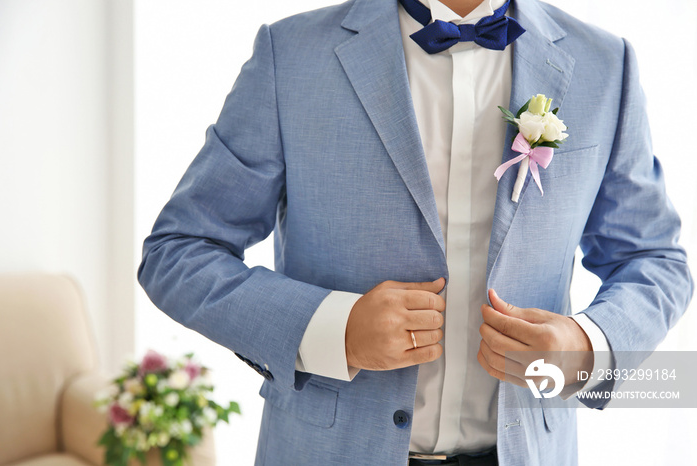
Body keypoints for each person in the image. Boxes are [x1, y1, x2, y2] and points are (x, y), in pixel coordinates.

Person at [138, 0, 693, 464]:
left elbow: (654, 260)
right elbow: (179, 251)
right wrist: (334, 329)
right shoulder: (291, 55)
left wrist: (587, 347)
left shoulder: (605, 63)